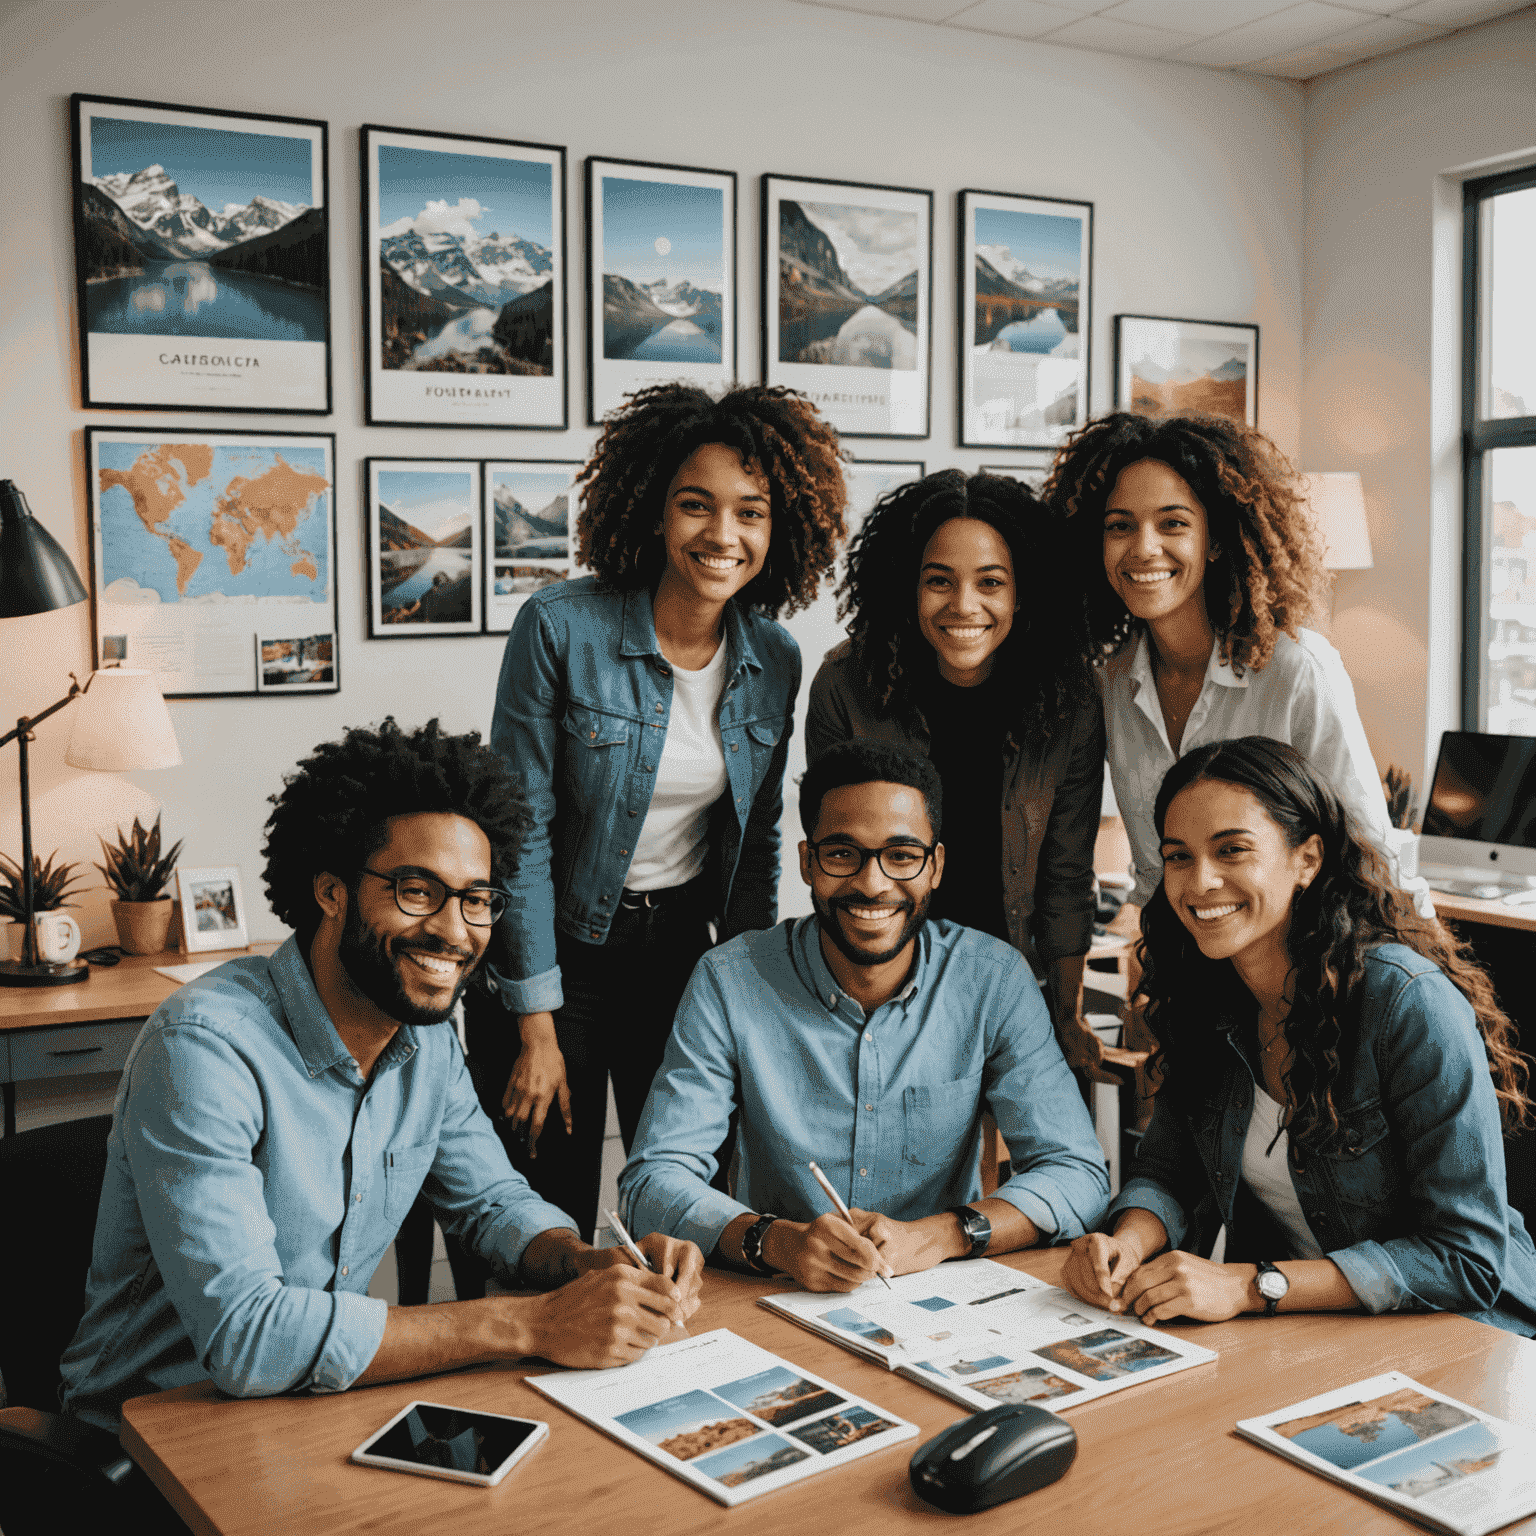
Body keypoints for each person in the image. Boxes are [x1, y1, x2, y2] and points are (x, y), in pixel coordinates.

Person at [60, 719, 704, 1436]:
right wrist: (534, 1323)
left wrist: (587, 1265)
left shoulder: (424, 1042)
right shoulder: (204, 1049)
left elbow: (492, 1205)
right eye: (416, 890)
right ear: (331, 891)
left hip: (305, 1416)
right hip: (150, 1438)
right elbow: (247, 1336)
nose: (455, 931)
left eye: (476, 899)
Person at [467, 382, 846, 1251]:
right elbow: (514, 831)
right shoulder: (560, 627)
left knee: (686, 1201)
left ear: (778, 526)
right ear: (650, 508)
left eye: (750, 511)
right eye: (696, 505)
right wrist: (535, 1023)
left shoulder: (774, 657)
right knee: (547, 1216)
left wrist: (753, 1001)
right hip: (551, 955)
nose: (723, 534)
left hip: (678, 955)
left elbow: (753, 848)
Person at [1060, 736, 1536, 1335]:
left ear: (1306, 859)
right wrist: (1124, 1244)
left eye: (1232, 850)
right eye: (1178, 856)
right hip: (1308, 1333)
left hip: (1466, 1335)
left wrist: (1251, 1284)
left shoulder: (1406, 1002)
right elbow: (1169, 1172)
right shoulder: (1207, 993)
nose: (1200, 881)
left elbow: (1466, 1259)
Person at [619, 741, 1110, 1293]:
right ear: (807, 862)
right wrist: (776, 1241)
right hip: (777, 1292)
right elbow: (651, 1184)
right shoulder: (729, 980)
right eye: (842, 854)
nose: (873, 883)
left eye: (902, 855)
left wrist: (941, 1235)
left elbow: (1079, 1175)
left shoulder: (993, 979)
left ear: (937, 867)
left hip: (942, 1295)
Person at [807, 469, 1110, 1078]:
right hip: (883, 984)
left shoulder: (1070, 694)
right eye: (938, 581)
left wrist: (1065, 1016)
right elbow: (837, 861)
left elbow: (1067, 872)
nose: (964, 606)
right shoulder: (847, 685)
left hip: (1014, 984)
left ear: (1023, 592)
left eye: (991, 583)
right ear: (905, 587)